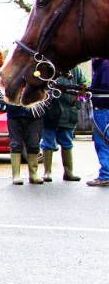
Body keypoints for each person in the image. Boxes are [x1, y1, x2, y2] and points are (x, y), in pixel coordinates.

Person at [41, 65, 86, 182]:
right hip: (50, 112)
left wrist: (78, 101)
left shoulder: (76, 69)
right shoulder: (49, 65)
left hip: (69, 112)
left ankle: (68, 172)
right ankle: (47, 172)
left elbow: (83, 87)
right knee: (48, 143)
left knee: (67, 142)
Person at [6, 101, 44, 185]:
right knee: (15, 144)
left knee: (34, 144)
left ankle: (33, 174)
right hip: (14, 113)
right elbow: (3, 91)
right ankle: (16, 175)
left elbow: (47, 91)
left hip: (34, 114)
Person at [87, 58, 109, 187]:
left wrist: (92, 91)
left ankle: (106, 175)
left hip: (103, 110)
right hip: (102, 109)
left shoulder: (105, 65)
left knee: (103, 142)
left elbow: (106, 87)